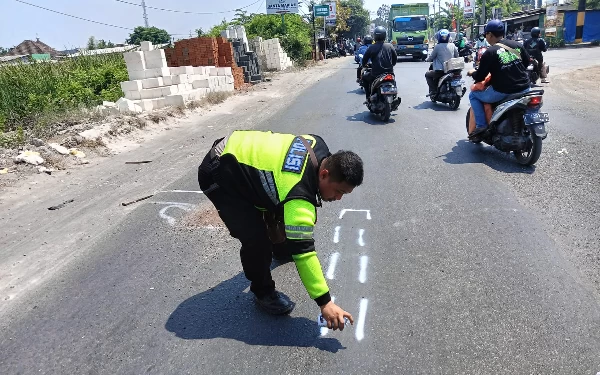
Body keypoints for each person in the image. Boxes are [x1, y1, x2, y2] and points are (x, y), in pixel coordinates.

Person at [197, 130, 364, 330]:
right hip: (220, 174)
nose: (338, 199)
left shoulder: (319, 146)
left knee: (278, 203)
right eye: (339, 191)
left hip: (237, 149)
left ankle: (282, 248)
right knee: (256, 239)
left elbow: (280, 176)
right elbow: (304, 253)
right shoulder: (298, 195)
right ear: (324, 174)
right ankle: (262, 290)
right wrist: (325, 303)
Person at [467, 20, 531, 137]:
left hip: (503, 91)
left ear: (490, 34)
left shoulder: (490, 52)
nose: (486, 37)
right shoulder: (517, 45)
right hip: (525, 88)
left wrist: (472, 73)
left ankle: (481, 126)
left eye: (486, 34)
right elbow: (526, 63)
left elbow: (480, 76)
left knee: (473, 95)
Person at [361, 26, 397, 102]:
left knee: (364, 77)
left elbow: (364, 60)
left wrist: (365, 65)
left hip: (375, 74)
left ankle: (368, 97)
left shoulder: (371, 47)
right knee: (393, 81)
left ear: (375, 36)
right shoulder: (390, 46)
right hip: (389, 73)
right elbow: (395, 59)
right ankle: (395, 96)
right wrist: (392, 65)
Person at [425, 29, 458, 96]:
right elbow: (457, 56)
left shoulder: (437, 46)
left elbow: (431, 57)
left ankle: (433, 90)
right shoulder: (453, 45)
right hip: (452, 70)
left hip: (440, 71)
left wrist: (427, 59)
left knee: (427, 74)